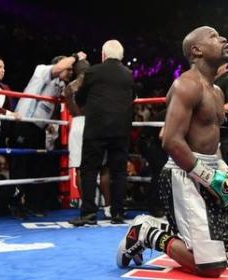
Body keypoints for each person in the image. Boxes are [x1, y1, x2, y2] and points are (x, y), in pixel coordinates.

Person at [117, 26, 228, 278]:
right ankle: (146, 232)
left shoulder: (217, 92)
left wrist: (223, 172)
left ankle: (176, 228)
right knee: (212, 268)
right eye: (214, 37)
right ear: (196, 50)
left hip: (210, 168)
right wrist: (207, 177)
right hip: (185, 174)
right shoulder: (186, 84)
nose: (223, 39)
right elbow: (170, 140)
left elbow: (211, 141)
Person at [10, 51, 86, 218]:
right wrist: (76, 56)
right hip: (24, 123)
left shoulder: (60, 84)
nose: (70, 71)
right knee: (20, 164)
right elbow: (60, 67)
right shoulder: (42, 70)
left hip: (38, 128)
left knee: (36, 166)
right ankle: (15, 203)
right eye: (69, 69)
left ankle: (31, 204)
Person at [69, 40, 134, 226]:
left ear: (103, 55)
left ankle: (89, 214)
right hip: (120, 129)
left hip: (96, 128)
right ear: (121, 56)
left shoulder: (93, 71)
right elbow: (133, 97)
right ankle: (118, 213)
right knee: (119, 172)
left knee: (89, 170)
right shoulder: (128, 74)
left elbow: (80, 98)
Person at [65, 59, 112, 220]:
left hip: (78, 124)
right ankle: (108, 207)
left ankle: (87, 209)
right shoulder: (97, 83)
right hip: (96, 123)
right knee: (104, 167)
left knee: (80, 168)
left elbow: (72, 108)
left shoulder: (70, 87)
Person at [0, 55, 20, 147]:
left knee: (2, 160)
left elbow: (11, 109)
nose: (3, 70)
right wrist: (7, 113)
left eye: (4, 68)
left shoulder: (5, 88)